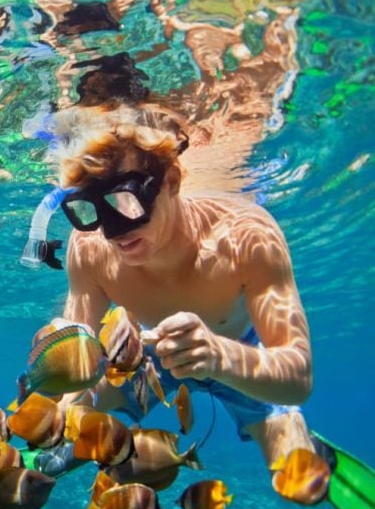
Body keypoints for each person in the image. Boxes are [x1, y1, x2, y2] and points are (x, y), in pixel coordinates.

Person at [24, 103, 315, 474]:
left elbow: (299, 376)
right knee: (69, 419)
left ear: (172, 181)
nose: (114, 232)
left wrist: (219, 357)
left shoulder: (246, 235)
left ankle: (299, 439)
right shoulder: (90, 248)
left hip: (241, 351)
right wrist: (60, 415)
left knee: (297, 477)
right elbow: (78, 367)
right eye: (91, 209)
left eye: (127, 201)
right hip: (146, 358)